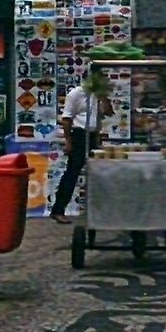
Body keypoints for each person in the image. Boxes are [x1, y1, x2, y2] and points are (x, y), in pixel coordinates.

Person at [49, 71, 114, 224]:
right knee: (72, 172)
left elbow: (109, 112)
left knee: (98, 172)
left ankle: (99, 209)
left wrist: (102, 98)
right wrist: (69, 141)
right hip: (79, 135)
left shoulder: (97, 95)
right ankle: (58, 210)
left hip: (93, 136)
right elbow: (66, 119)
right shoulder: (76, 94)